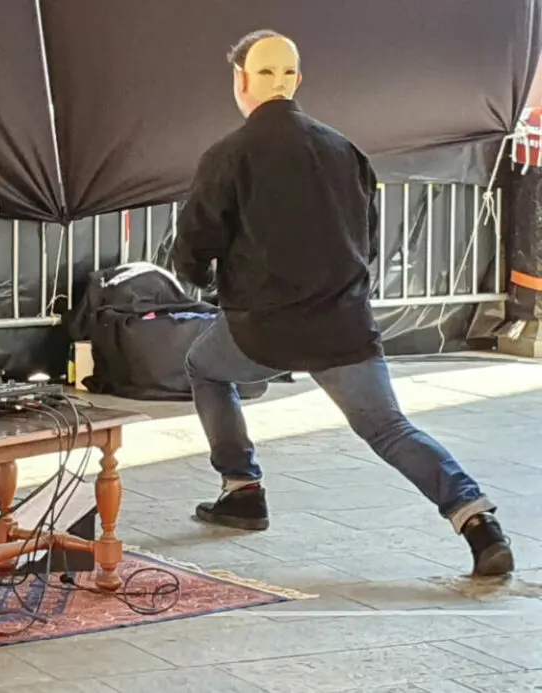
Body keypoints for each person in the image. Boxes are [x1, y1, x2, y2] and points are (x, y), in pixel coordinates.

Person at [172, 29, 514, 576]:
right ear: (297, 82)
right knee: (389, 428)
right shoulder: (343, 148)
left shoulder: (228, 154)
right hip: (344, 325)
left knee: (204, 368)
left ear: (240, 82)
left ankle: (241, 489)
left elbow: (195, 243)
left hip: (264, 328)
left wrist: (195, 280)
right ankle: (477, 520)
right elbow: (369, 239)